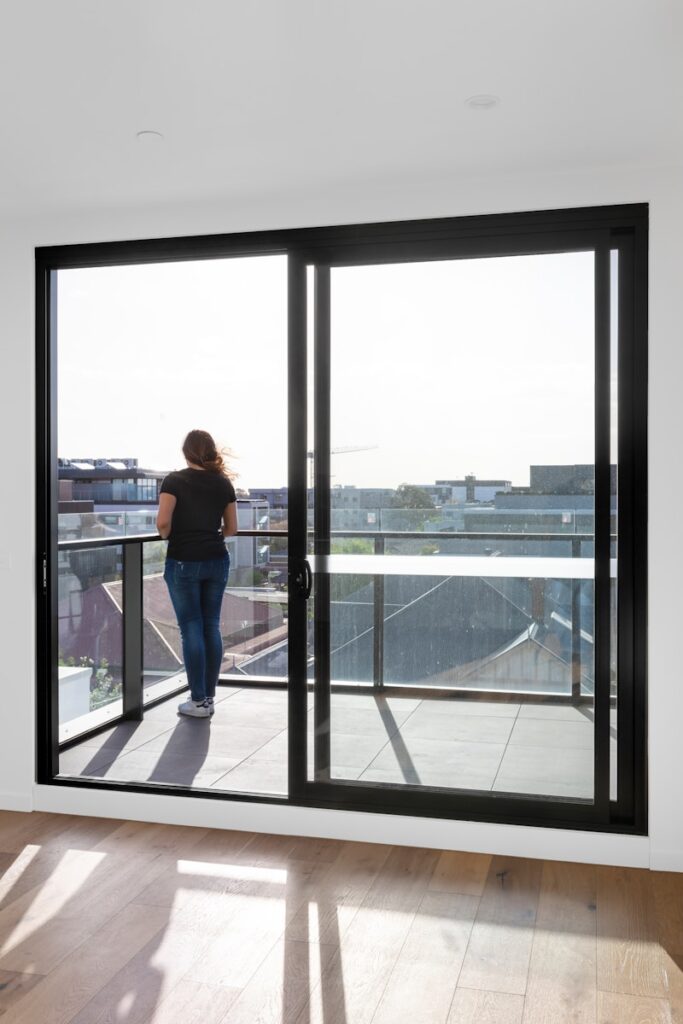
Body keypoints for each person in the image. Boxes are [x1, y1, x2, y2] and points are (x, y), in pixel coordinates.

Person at [156, 430, 238, 718]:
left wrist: (169, 535)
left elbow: (163, 522)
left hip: (183, 561)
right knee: (210, 626)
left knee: (191, 628)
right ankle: (209, 698)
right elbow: (231, 529)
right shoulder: (222, 482)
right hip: (217, 559)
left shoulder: (174, 480)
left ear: (186, 452)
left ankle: (198, 700)